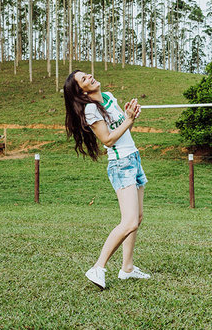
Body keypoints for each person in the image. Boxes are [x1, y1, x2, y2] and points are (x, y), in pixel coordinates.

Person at [63, 69, 150, 289]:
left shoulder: (109, 97)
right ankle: (98, 267)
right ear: (81, 91)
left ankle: (127, 268)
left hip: (133, 157)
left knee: (137, 219)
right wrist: (128, 119)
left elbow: (124, 127)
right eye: (84, 79)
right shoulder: (90, 110)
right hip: (121, 165)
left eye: (87, 74)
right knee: (128, 221)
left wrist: (131, 115)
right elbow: (108, 139)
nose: (90, 77)